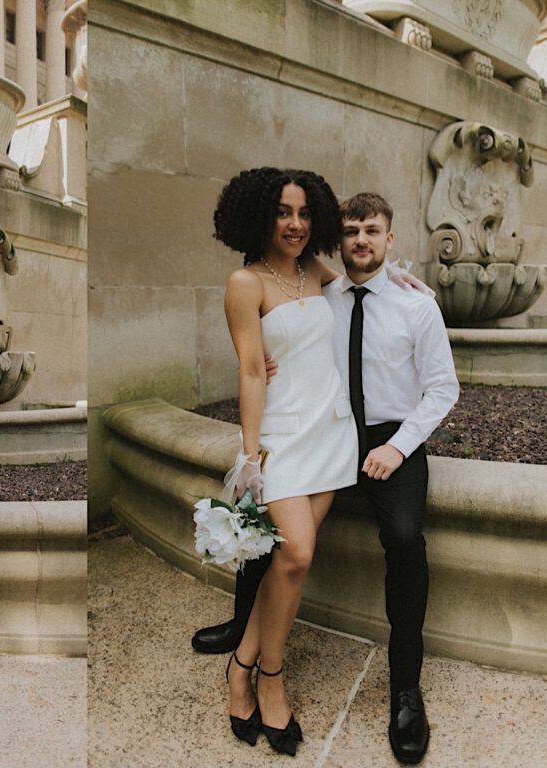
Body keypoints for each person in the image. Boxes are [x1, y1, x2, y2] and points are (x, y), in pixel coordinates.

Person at [197, 191, 459, 764]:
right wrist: (263, 361)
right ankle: (244, 639)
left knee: (403, 539)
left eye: (372, 232)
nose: (361, 241)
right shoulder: (324, 288)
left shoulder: (415, 304)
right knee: (283, 545)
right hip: (323, 429)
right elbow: (264, 339)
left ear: (390, 240)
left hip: (391, 439)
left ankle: (406, 690)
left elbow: (443, 388)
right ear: (338, 242)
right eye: (351, 232)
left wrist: (397, 447)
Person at [215, 167, 359, 756]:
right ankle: (267, 674)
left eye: (303, 213)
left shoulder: (315, 272)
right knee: (297, 551)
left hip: (332, 431)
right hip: (283, 434)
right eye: (283, 212)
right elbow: (252, 369)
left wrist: (406, 282)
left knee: (288, 565)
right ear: (259, 217)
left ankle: (243, 665)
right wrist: (250, 457)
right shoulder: (245, 282)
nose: (295, 224)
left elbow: (357, 279)